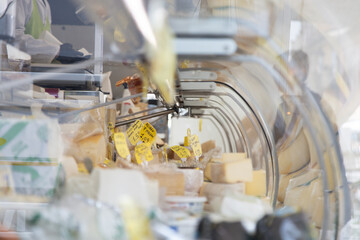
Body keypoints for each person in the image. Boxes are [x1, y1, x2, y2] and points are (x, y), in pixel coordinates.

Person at [15, 0, 87, 63]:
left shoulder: (45, 4)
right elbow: (14, 40)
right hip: (20, 72)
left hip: (36, 71)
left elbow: (47, 41)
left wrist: (68, 53)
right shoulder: (21, 1)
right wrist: (57, 51)